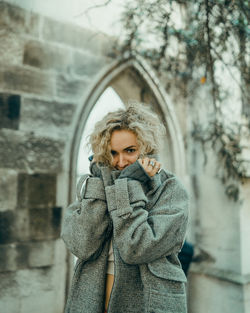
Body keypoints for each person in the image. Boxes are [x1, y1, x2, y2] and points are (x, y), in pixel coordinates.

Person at [61, 103, 189, 313]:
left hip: (147, 298)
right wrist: (99, 182)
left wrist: (128, 186)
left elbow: (138, 248)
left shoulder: (171, 188)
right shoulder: (98, 183)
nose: (121, 162)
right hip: (92, 291)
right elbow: (81, 244)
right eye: (112, 153)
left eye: (130, 150)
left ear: (146, 147)